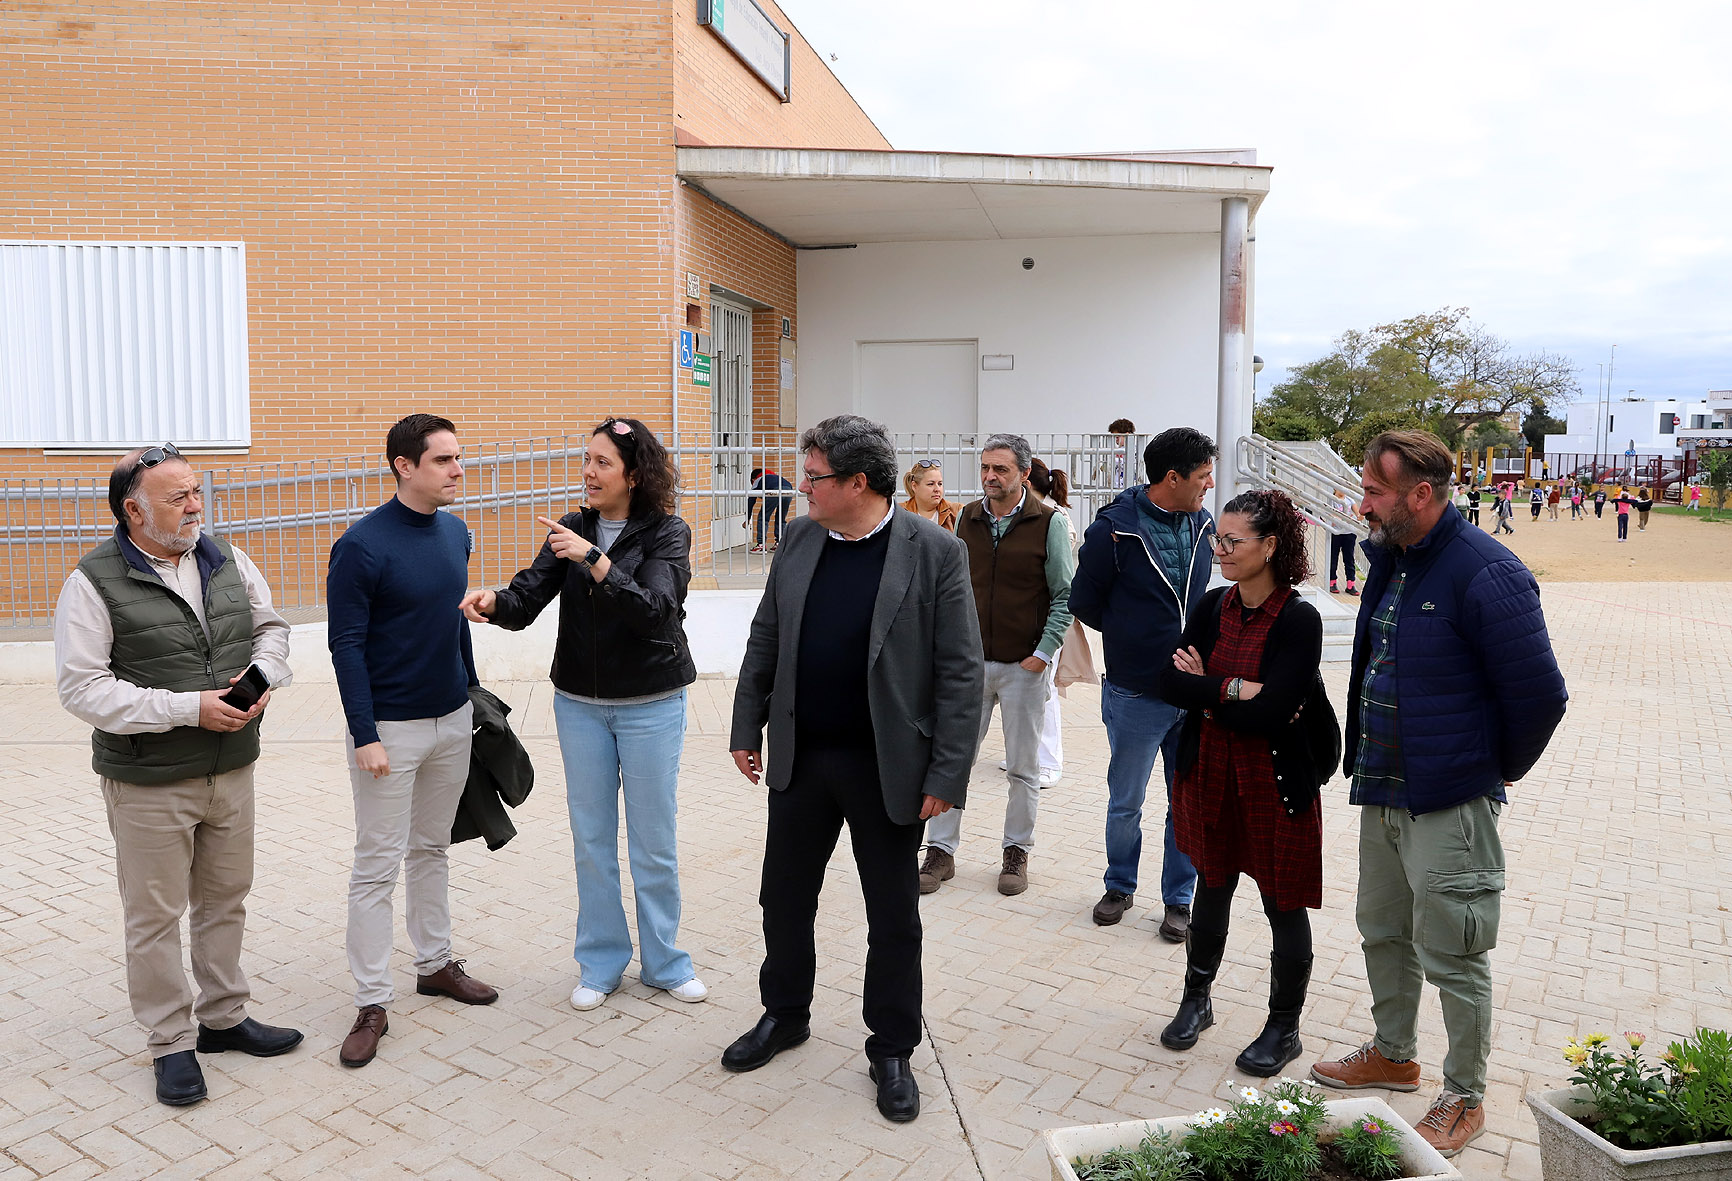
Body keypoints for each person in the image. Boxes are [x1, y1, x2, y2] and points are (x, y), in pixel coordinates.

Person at [1310, 430, 1567, 1159]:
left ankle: (1464, 1094)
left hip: (1450, 797)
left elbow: (1542, 694)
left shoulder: (1487, 572)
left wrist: (1494, 768)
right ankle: (1393, 1052)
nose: (1362, 501)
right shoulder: (1392, 559)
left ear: (1420, 495)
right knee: (1383, 928)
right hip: (1386, 786)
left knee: (1453, 947)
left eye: (1374, 490)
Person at [725, 414, 983, 1124]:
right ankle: (785, 1014)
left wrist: (947, 774)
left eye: (813, 477)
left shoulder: (934, 552)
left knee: (893, 914)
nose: (800, 488)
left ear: (857, 482)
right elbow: (766, 635)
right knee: (783, 898)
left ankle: (893, 1045)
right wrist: (747, 724)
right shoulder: (802, 536)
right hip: (803, 758)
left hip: (887, 765)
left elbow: (960, 671)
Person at [54, 444, 303, 1106]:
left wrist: (263, 679)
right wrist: (187, 708)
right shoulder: (91, 582)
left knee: (226, 897)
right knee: (155, 916)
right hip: (149, 782)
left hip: (232, 769)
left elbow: (271, 630)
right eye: (178, 496)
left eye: (197, 491)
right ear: (134, 510)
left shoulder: (225, 558)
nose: (196, 505)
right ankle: (170, 1041)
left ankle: (222, 1017)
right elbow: (82, 690)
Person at [460, 417, 706, 1012]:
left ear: (634, 472)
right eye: (587, 460)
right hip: (581, 707)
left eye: (602, 462)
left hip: (651, 703)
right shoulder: (570, 528)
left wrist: (595, 560)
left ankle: (666, 963)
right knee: (592, 840)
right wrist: (496, 604)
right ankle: (600, 963)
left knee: (653, 841)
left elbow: (656, 610)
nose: (589, 472)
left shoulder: (667, 532)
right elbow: (528, 599)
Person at [326, 414, 498, 1070]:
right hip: (389, 732)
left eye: (459, 457)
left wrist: (474, 698)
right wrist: (364, 734)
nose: (458, 470)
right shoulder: (362, 545)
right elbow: (345, 643)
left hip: (451, 719)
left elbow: (455, 622)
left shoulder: (456, 532)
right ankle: (372, 1000)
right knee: (377, 862)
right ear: (404, 465)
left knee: (431, 849)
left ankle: (434, 964)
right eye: (444, 460)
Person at [1155, 490, 1332, 1078]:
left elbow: (1275, 712)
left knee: (1284, 905)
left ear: (1271, 547)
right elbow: (1171, 683)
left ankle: (1284, 1026)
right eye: (1218, 539)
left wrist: (1209, 687)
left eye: (1234, 541)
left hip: (1273, 782)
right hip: (1209, 772)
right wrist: (1231, 690)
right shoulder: (1210, 607)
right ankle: (1196, 1000)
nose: (1221, 550)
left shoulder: (1299, 620)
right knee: (1212, 886)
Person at [1070, 428, 1215, 940]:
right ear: (1171, 478)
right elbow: (1083, 602)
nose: (1210, 484)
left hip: (1193, 690)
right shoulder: (1114, 529)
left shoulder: (1203, 521)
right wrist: (1135, 636)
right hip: (1135, 691)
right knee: (1126, 800)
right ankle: (1119, 885)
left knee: (1187, 800)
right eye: (1202, 476)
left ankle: (1179, 899)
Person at [922, 435, 1075, 896]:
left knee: (1023, 769)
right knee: (952, 760)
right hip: (968, 668)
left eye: (1001, 469)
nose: (990, 477)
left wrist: (1042, 654)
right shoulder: (965, 518)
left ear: (1024, 474)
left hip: (1022, 667)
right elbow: (944, 588)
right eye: (986, 468)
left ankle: (1015, 853)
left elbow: (1065, 593)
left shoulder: (1048, 522)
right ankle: (941, 853)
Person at [1027, 459, 1077, 788]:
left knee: (1045, 693)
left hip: (1046, 621)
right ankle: (1026, 755)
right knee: (1021, 694)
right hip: (1021, 619)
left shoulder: (1056, 520)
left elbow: (1061, 584)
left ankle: (1050, 761)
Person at [746, 466, 795, 553]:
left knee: (763, 517)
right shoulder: (776, 477)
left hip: (774, 491)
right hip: (788, 490)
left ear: (753, 479)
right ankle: (780, 544)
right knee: (781, 518)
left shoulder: (758, 480)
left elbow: (751, 500)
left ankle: (761, 545)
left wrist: (747, 518)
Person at [901, 459, 959, 531]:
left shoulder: (957, 511)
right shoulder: (900, 512)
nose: (937, 489)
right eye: (930, 484)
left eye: (940, 484)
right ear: (914, 486)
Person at [1327, 487, 1360, 595]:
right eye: (1340, 487)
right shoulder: (1332, 499)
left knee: (1349, 558)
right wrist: (1340, 517)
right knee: (1333, 557)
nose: (1342, 490)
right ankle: (1332, 582)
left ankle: (1350, 584)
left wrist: (1361, 516)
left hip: (1349, 532)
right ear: (1335, 488)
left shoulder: (1350, 500)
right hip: (1336, 532)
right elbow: (1331, 513)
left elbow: (1358, 514)